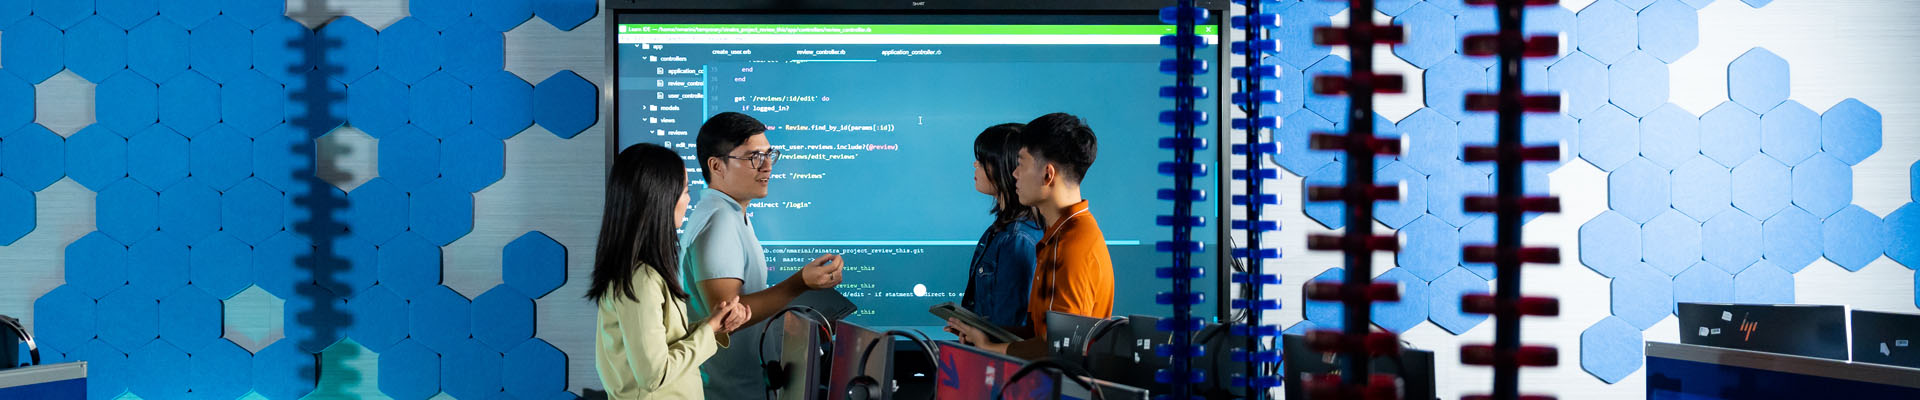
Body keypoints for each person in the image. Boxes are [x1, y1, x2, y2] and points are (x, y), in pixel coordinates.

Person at [681, 112, 846, 399]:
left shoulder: (731, 213)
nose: (767, 165)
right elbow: (727, 316)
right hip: (729, 392)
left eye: (769, 154)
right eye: (754, 157)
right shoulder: (719, 221)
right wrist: (800, 283)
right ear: (716, 166)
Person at [590, 143, 754, 399]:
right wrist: (709, 329)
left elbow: (664, 343)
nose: (688, 200)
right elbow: (654, 374)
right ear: (661, 199)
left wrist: (714, 324)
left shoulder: (642, 273)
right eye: (685, 191)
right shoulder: (641, 279)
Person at [948, 113, 1115, 360]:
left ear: (1047, 174)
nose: (1014, 174)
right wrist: (984, 334)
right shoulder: (1057, 236)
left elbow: (1061, 349)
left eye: (1021, 164)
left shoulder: (1071, 246)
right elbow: (1042, 335)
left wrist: (989, 348)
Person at [962, 123, 1043, 328]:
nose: (975, 164)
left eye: (983, 160)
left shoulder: (1017, 239)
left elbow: (1011, 327)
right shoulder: (1002, 230)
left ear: (1005, 167)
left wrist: (981, 338)